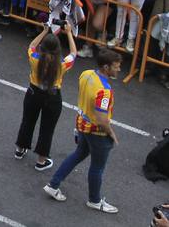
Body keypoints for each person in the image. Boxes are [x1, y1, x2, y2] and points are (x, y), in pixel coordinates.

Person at [43, 46, 122, 213]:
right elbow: (102, 119)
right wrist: (112, 134)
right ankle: (94, 200)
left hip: (82, 124)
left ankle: (53, 184)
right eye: (116, 66)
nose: (119, 69)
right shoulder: (104, 91)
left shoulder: (86, 74)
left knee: (78, 154)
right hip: (97, 132)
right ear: (106, 67)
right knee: (97, 167)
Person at [15, 23, 77, 171]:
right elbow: (74, 53)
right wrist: (68, 33)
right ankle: (41, 160)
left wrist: (44, 31)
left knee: (27, 121)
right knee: (47, 129)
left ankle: (20, 149)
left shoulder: (35, 59)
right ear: (58, 50)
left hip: (33, 93)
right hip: (52, 97)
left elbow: (31, 46)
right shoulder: (61, 65)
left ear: (42, 48)